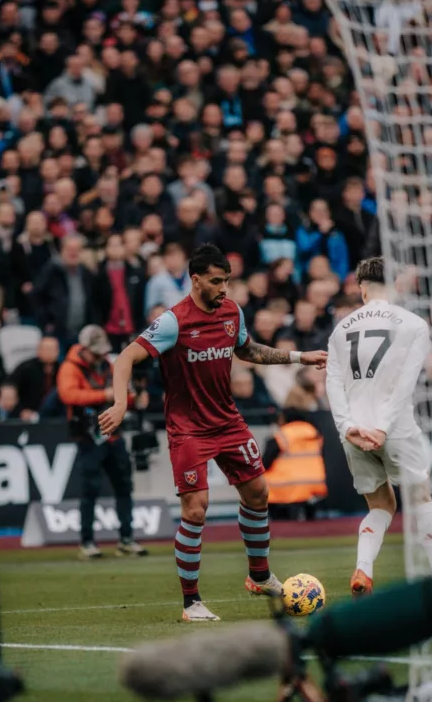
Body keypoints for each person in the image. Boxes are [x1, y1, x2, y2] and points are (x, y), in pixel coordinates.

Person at [100, 243, 327, 622]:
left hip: (227, 421)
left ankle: (259, 576)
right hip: (188, 430)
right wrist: (120, 403)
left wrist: (299, 357)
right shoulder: (174, 321)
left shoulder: (231, 312)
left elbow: (248, 350)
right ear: (196, 280)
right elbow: (125, 357)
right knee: (196, 509)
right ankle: (191, 603)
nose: (225, 288)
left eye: (227, 281)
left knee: (258, 492)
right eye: (217, 281)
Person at [325, 256, 432, 597]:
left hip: (353, 431)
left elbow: (333, 383)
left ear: (361, 288)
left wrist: (346, 427)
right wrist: (382, 427)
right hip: (393, 427)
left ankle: (364, 569)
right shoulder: (413, 324)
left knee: (380, 505)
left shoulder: (341, 329)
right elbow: (405, 384)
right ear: (394, 285)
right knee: (421, 497)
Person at [57, 324, 148, 559]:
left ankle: (126, 539)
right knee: (90, 489)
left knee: (124, 486)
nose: (101, 356)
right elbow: (68, 395)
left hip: (112, 435)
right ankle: (87, 542)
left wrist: (134, 397)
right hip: (88, 437)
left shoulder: (107, 365)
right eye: (96, 352)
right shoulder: (70, 367)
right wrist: (105, 395)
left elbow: (122, 391)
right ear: (84, 349)